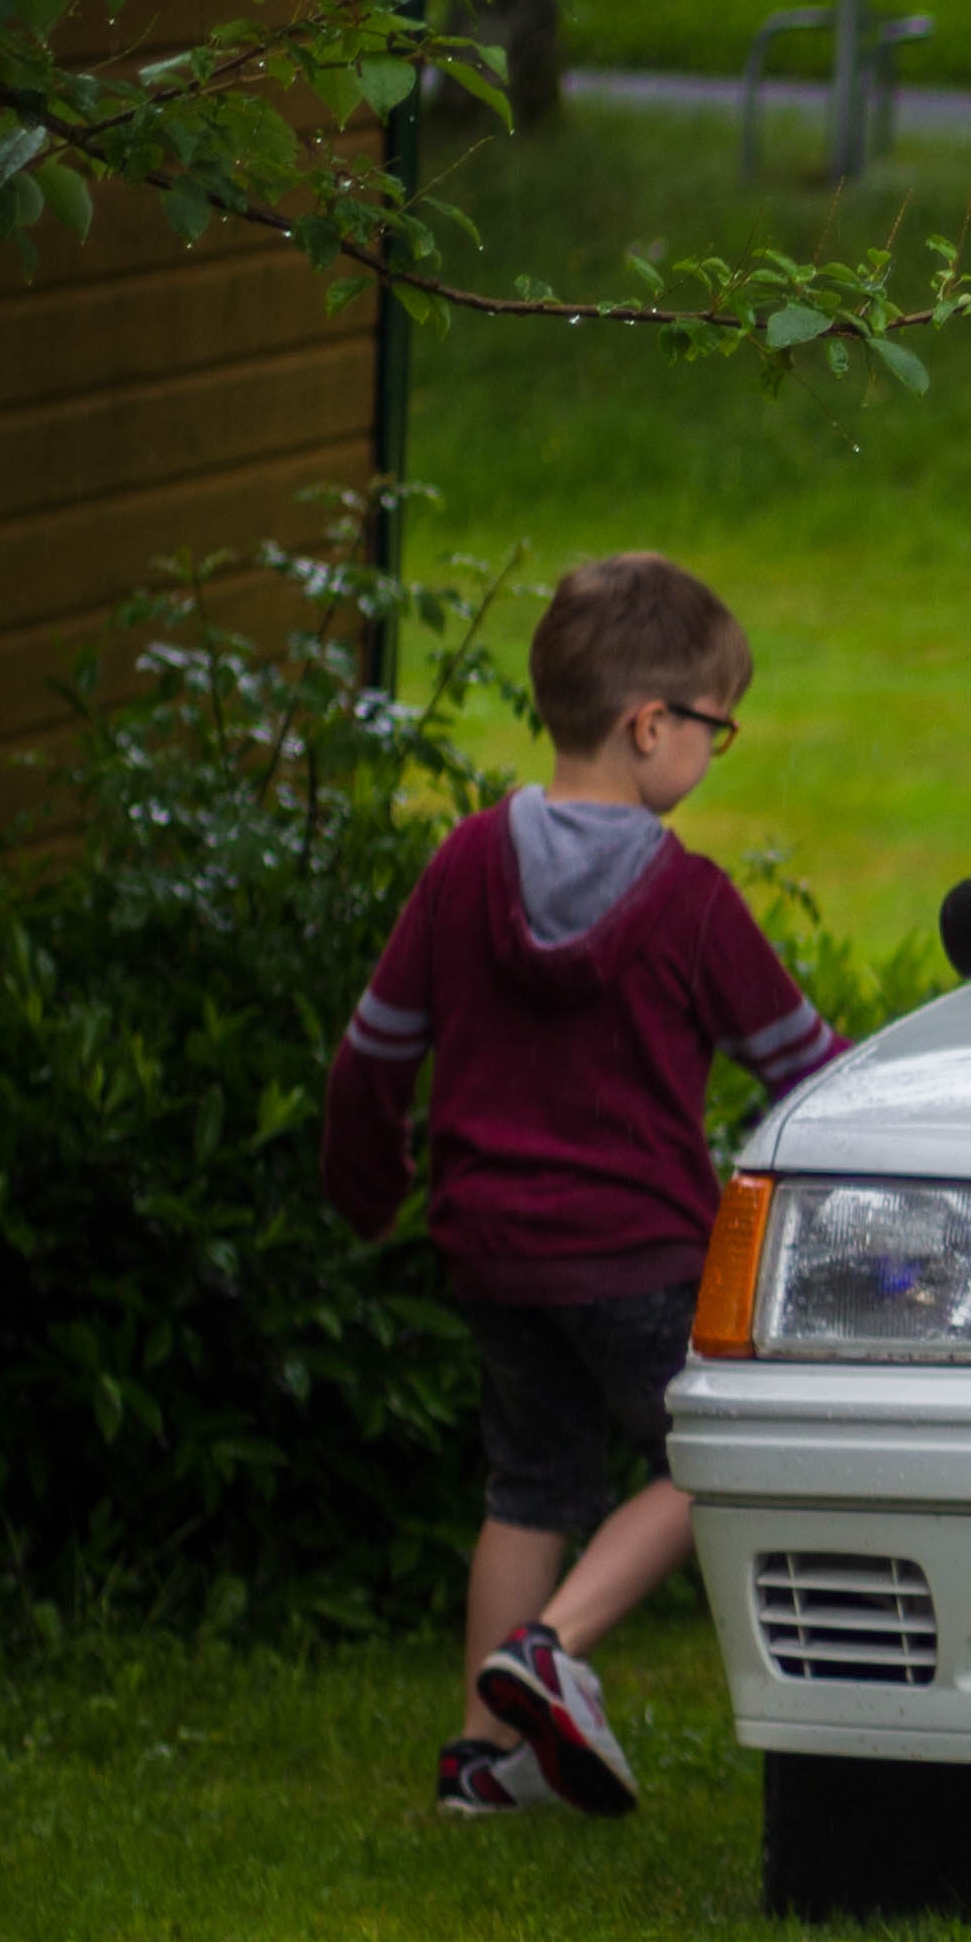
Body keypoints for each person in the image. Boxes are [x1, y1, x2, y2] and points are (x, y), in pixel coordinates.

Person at [325, 554, 849, 1818]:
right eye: (717, 728)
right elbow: (812, 1072)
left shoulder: (463, 866)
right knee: (709, 1453)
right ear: (650, 726)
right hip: (638, 1257)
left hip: (492, 1254)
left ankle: (482, 1764)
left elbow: (373, 1053)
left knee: (530, 1486)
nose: (716, 752)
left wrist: (370, 1188)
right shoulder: (690, 903)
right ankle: (550, 1652)